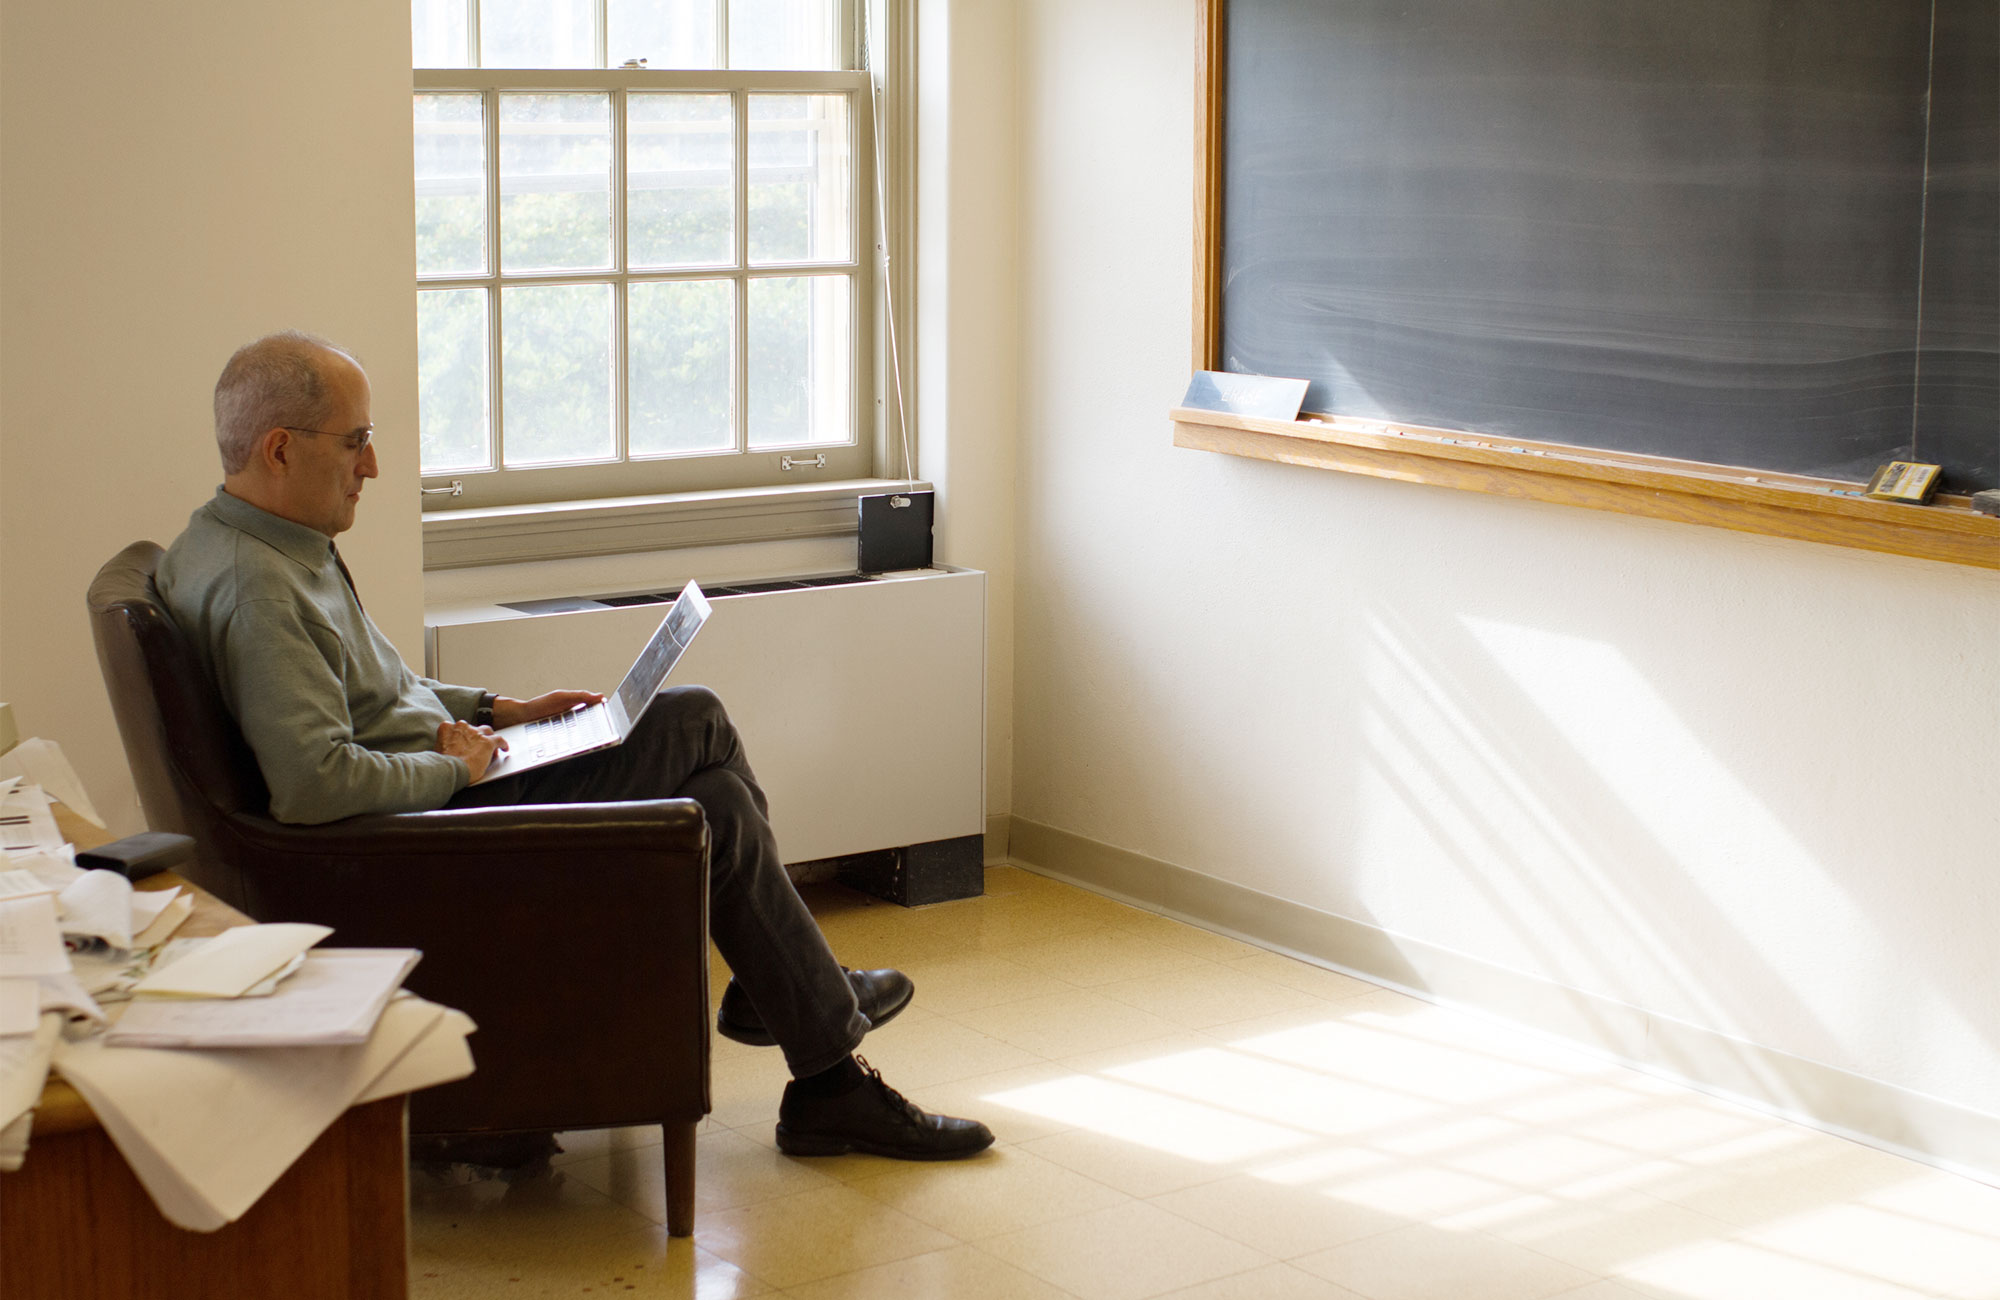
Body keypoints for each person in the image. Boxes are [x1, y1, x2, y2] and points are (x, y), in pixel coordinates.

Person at [156, 330, 992, 1164]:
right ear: (278, 449)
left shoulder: (269, 544)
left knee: (719, 806)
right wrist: (460, 763)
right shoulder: (259, 588)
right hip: (431, 827)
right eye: (357, 441)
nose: (371, 466)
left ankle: (825, 1079)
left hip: (448, 784)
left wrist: (500, 709)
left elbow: (378, 692)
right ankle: (795, 1011)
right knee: (693, 715)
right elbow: (313, 785)